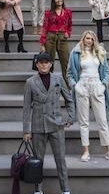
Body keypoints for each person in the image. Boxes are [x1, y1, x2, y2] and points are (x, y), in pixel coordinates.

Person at [23, 52, 75, 194]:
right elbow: (26, 108)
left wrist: (71, 117)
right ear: (37, 64)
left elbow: (69, 99)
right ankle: (38, 190)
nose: (44, 65)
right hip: (38, 126)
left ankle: (65, 190)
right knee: (37, 161)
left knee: (61, 160)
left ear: (51, 64)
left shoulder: (58, 79)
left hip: (57, 125)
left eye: (46, 62)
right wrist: (26, 130)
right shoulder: (30, 82)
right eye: (41, 62)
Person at [67, 30, 109, 162]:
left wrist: (103, 85)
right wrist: (75, 86)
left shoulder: (100, 52)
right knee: (84, 122)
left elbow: (106, 72)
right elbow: (69, 73)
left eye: (91, 39)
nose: (89, 41)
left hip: (97, 86)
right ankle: (86, 151)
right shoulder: (75, 53)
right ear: (83, 39)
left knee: (102, 121)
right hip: (82, 86)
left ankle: (108, 150)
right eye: (87, 38)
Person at [40, 0, 72, 83]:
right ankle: (49, 85)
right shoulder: (48, 13)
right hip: (51, 37)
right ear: (54, 1)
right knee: (49, 63)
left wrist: (68, 33)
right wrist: (42, 43)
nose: (59, 0)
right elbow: (44, 27)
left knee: (65, 62)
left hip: (63, 38)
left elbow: (69, 25)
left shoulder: (68, 12)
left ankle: (68, 87)